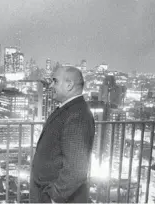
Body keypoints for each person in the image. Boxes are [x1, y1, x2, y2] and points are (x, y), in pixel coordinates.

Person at [30, 65, 95, 203]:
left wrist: (54, 197)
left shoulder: (77, 115)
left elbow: (77, 168)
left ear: (69, 84)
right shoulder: (69, 109)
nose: (51, 85)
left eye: (55, 81)